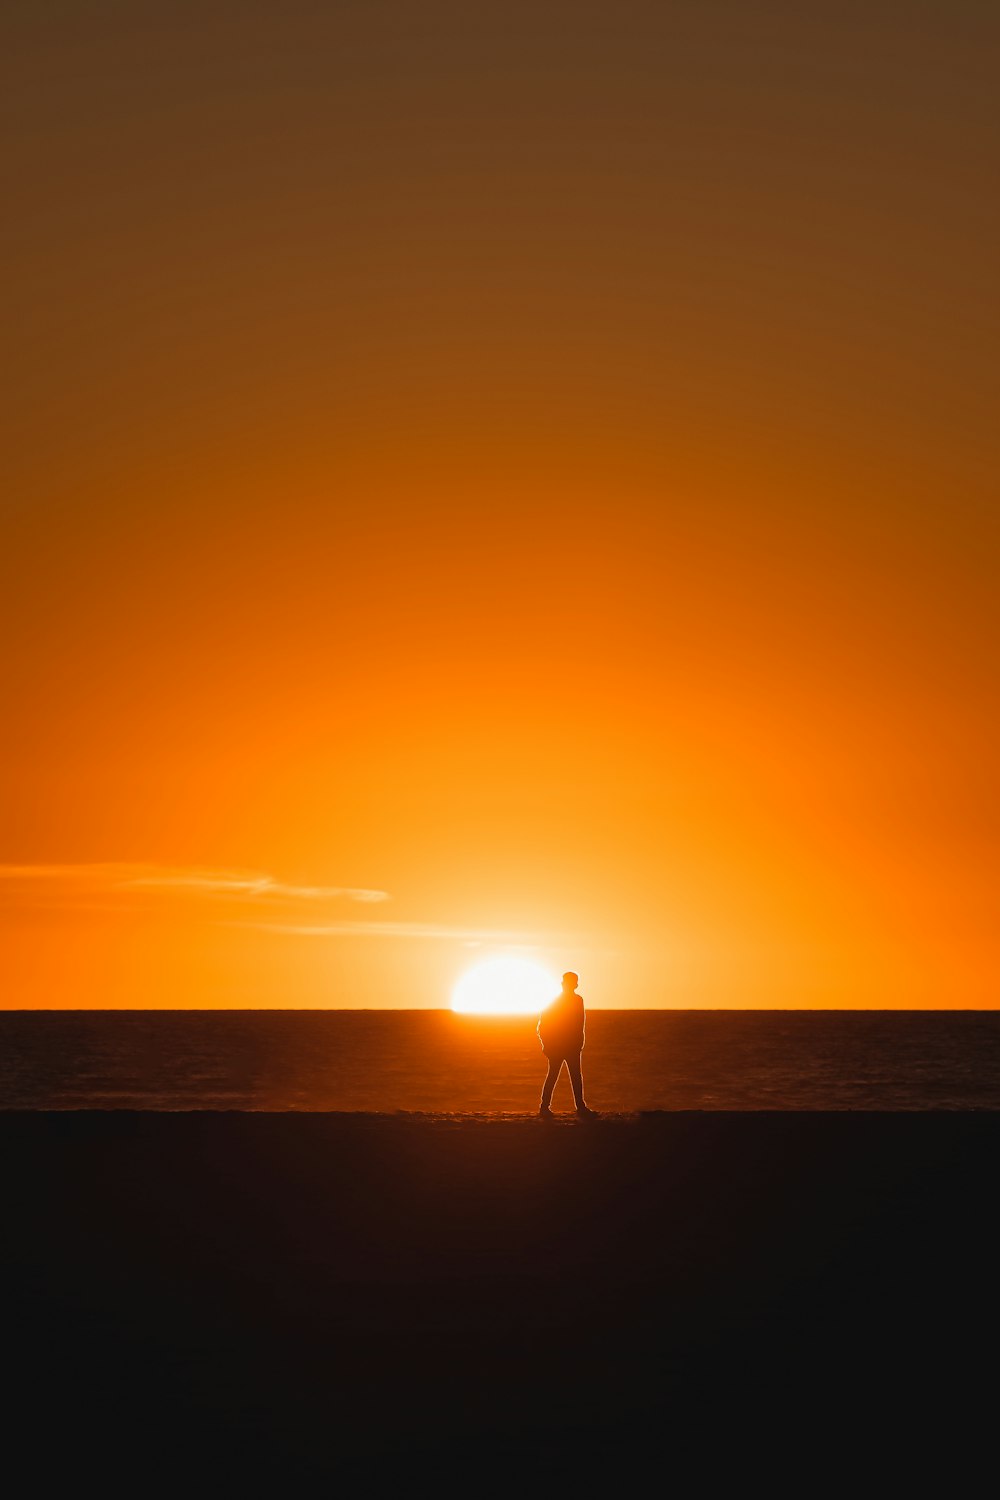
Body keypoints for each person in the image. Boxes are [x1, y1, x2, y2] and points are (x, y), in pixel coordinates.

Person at [537, 971, 597, 1119]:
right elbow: (544, 1024)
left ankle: (577, 1106)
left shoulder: (575, 1000)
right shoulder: (560, 1001)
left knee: (571, 1075)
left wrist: (578, 1042)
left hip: (570, 1045)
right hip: (561, 1045)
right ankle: (547, 1106)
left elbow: (579, 1023)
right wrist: (547, 1044)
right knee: (558, 1075)